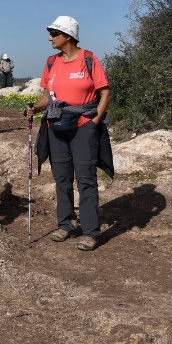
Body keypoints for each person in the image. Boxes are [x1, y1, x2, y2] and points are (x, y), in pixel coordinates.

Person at [25, 16, 111, 251]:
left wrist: (94, 121)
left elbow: (104, 93)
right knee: (62, 178)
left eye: (54, 33)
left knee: (85, 179)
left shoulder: (89, 59)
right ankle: (66, 223)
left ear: (68, 36)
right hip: (55, 126)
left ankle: (91, 232)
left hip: (83, 126)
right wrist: (36, 107)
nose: (50, 37)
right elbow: (47, 97)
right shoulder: (51, 62)